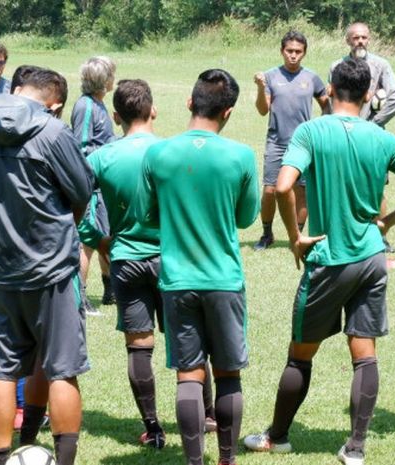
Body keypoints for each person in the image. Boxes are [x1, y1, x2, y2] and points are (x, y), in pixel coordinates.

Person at [244, 58, 395, 465]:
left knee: (300, 354)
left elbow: (282, 187)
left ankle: (277, 437)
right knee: (363, 353)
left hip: (329, 260)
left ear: (329, 89)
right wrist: (388, 220)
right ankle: (355, 446)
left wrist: (296, 238)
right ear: (369, 95)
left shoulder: (311, 132)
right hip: (371, 257)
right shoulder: (381, 137)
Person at [0, 69, 94, 465]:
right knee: (62, 367)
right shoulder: (53, 132)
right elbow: (81, 192)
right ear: (55, 104)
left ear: (15, 90)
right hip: (54, 272)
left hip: (0, 268)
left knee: (2, 368)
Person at [136, 69, 259, 465]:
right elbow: (245, 219)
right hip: (224, 279)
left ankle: (194, 462)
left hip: (176, 280)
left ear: (189, 102)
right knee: (227, 374)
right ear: (229, 112)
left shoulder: (157, 154)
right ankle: (226, 459)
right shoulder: (240, 156)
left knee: (188, 375)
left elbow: (145, 214)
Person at [77, 78, 167, 447]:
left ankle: (153, 426)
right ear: (153, 110)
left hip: (126, 259)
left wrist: (99, 241)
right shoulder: (170, 152)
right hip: (171, 259)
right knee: (188, 341)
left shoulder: (100, 157)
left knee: (139, 346)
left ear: (115, 116)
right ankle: (206, 414)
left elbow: (75, 208)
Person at [329, 22, 395, 254]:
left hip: (372, 137)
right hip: (342, 135)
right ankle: (342, 234)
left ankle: (381, 236)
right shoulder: (337, 66)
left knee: (377, 187)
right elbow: (333, 99)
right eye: (355, 37)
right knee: (343, 185)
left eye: (363, 37)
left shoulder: (380, 65)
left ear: (369, 39)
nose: (359, 41)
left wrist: (373, 123)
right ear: (347, 40)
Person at [253, 30, 329, 251]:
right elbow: (261, 110)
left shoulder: (312, 78)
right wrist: (260, 87)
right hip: (276, 141)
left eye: (298, 51)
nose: (293, 55)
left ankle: (296, 235)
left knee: (301, 190)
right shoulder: (270, 76)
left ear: (304, 53)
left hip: (304, 144)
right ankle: (267, 234)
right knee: (270, 190)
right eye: (289, 51)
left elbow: (327, 106)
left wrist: (320, 129)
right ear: (282, 51)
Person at [71, 56, 117, 313]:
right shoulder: (86, 107)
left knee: (105, 234)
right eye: (111, 74)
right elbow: (82, 146)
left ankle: (110, 289)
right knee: (86, 241)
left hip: (103, 183)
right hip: (90, 185)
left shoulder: (99, 104)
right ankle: (81, 297)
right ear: (104, 80)